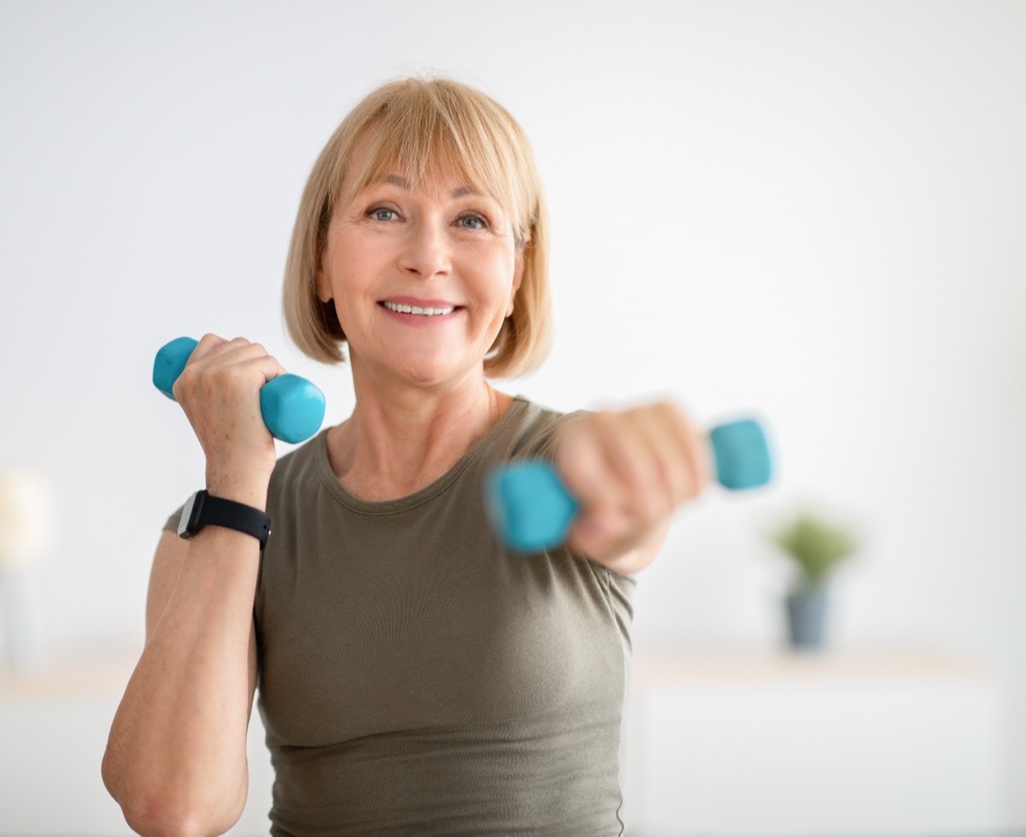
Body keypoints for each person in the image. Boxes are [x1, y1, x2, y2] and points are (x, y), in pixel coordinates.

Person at [102, 76, 708, 836]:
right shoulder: (231, 517)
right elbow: (172, 806)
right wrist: (234, 481)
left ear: (516, 276)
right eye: (385, 211)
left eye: (473, 220)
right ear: (322, 261)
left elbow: (618, 501)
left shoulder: (564, 467)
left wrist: (635, 464)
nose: (428, 256)